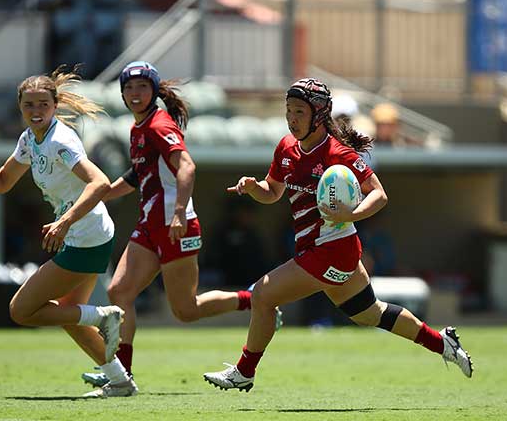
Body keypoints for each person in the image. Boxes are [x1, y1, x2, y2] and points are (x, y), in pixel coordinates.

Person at [203, 78, 473, 392]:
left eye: (299, 112)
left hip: (333, 250)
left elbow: (379, 195)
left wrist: (352, 214)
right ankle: (443, 343)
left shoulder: (338, 154)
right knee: (370, 314)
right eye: (289, 110)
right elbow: (273, 191)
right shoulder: (285, 147)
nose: (292, 118)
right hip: (315, 249)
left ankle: (243, 372)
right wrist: (254, 189)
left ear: (319, 114)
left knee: (263, 295)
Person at [0, 65, 136, 397]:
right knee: (67, 314)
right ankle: (120, 381)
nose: (36, 112)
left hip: (86, 236)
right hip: (87, 234)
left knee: (20, 310)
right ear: (20, 107)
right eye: (29, 105)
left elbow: (100, 183)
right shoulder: (28, 140)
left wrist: (64, 223)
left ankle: (103, 316)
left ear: (54, 106)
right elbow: (3, 182)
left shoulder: (60, 140)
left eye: (42, 105)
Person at [80, 61, 260, 389]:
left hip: (176, 225)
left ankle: (255, 301)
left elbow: (187, 167)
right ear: (122, 93)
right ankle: (122, 375)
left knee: (186, 310)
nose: (135, 93)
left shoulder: (159, 125)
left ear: (153, 91)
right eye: (129, 88)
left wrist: (178, 212)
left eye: (142, 87)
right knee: (119, 291)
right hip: (150, 225)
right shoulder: (137, 129)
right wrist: (99, 196)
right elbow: (138, 176)